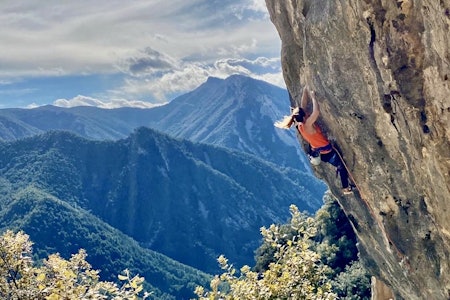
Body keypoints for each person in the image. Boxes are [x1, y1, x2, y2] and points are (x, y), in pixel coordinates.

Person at [275, 87, 353, 195]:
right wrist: (313, 97)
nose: (307, 113)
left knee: (339, 166)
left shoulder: (300, 125)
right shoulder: (307, 125)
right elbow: (316, 112)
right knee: (341, 166)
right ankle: (346, 188)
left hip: (320, 153)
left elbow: (303, 105)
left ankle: (346, 184)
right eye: (306, 113)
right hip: (328, 153)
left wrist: (305, 91)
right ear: (304, 116)